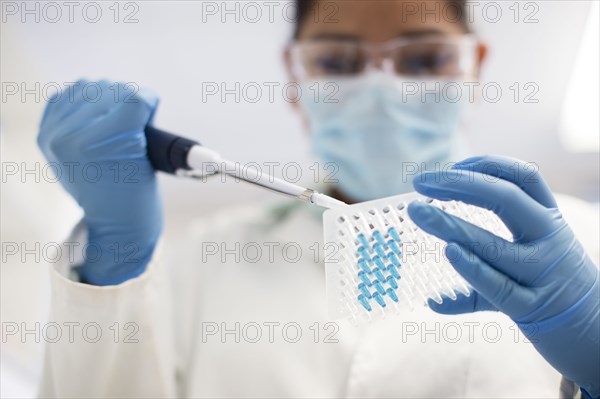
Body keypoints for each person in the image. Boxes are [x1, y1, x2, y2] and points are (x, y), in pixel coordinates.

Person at [36, 0, 599, 397]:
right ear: (294, 75)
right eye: (339, 63)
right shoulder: (205, 259)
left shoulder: (586, 248)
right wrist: (109, 271)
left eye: (423, 60)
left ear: (475, 67)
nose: (383, 88)